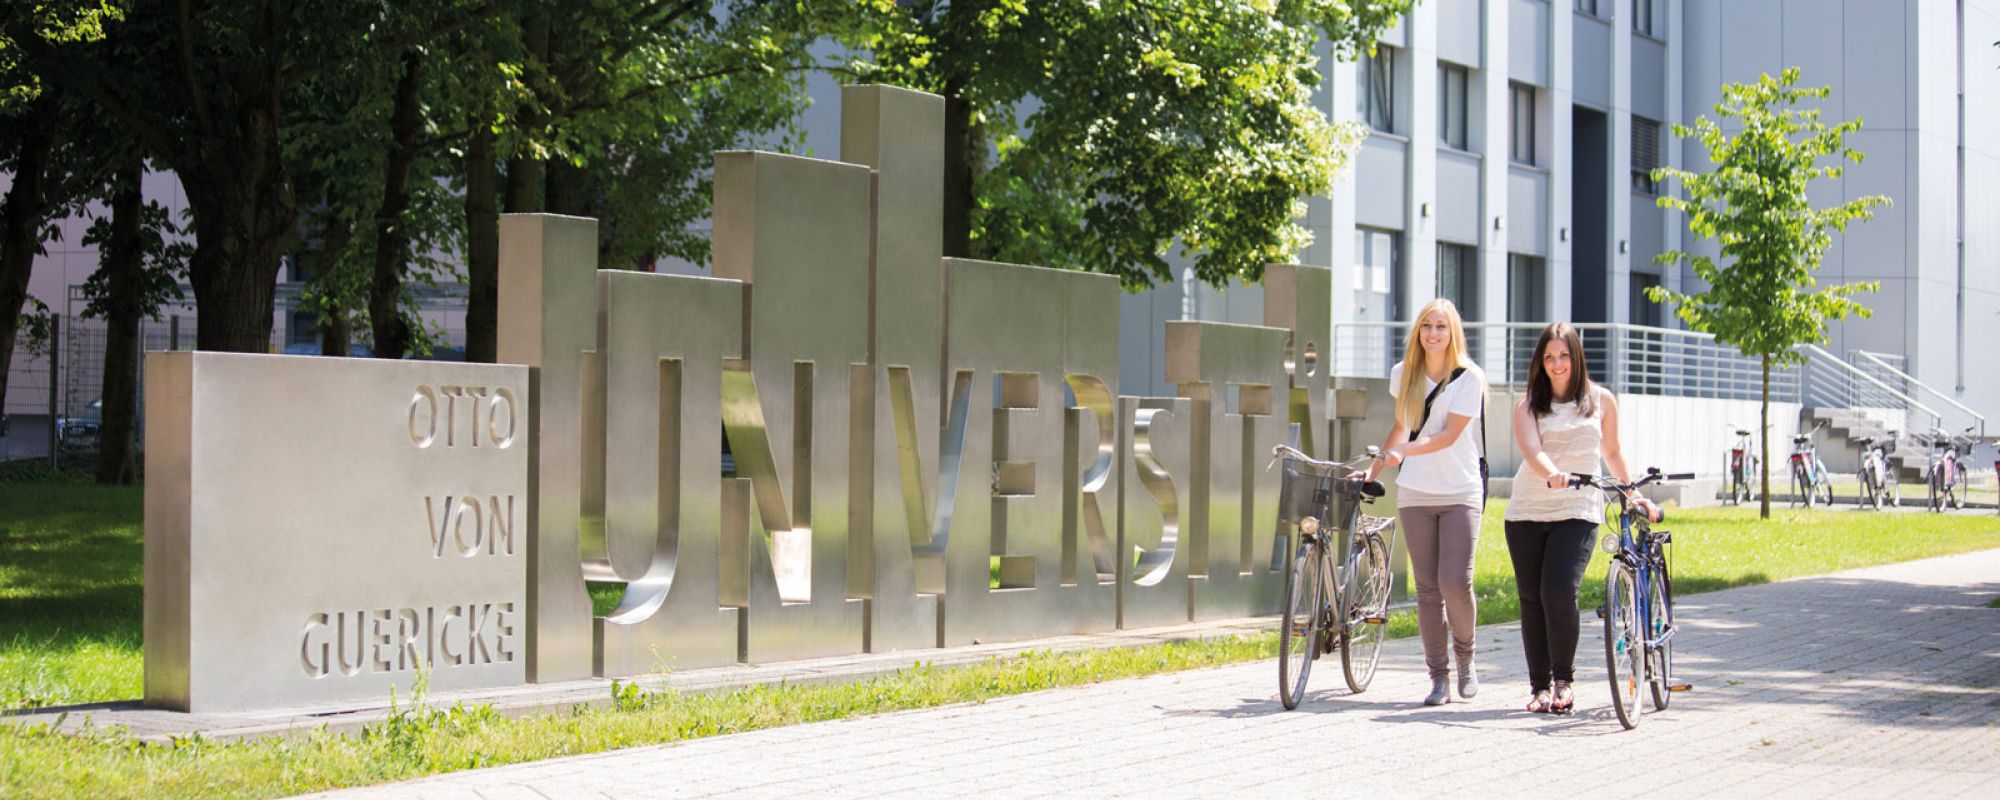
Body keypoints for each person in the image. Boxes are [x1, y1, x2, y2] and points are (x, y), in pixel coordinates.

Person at [1503, 322, 1655, 715]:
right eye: (1549, 357)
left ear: (1577, 357)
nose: (1556, 364)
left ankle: (1563, 681)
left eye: (1564, 355)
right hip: (1528, 510)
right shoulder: (1527, 405)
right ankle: (1538, 687)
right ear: (1540, 361)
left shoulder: (1600, 399)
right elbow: (1532, 450)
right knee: (1531, 599)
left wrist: (1631, 491)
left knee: (1558, 589)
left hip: (1578, 510)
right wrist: (1552, 471)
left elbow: (1613, 451)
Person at [1370, 298, 1487, 706]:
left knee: (1455, 583)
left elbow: (1447, 437)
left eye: (1441, 327)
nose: (1433, 334)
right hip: (1416, 494)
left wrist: (1401, 454)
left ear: (1452, 332)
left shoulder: (1469, 378)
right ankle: (1438, 677)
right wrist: (1375, 467)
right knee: (1426, 590)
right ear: (1417, 332)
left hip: (1459, 492)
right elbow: (1402, 425)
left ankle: (1466, 660)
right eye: (1426, 326)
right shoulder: (1403, 374)